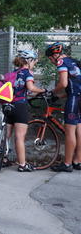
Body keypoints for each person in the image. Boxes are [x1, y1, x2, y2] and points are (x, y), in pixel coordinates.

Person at [5, 50, 47, 172]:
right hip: (20, 106)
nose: (34, 63)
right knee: (19, 137)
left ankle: (3, 159)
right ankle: (22, 164)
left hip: (8, 105)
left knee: (6, 135)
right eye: (34, 61)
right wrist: (42, 90)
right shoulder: (27, 72)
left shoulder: (13, 73)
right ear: (28, 61)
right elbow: (30, 88)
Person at [46, 43, 81, 172]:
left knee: (70, 131)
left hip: (74, 99)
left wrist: (52, 92)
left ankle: (67, 164)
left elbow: (63, 83)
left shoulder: (61, 62)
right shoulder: (72, 61)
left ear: (55, 55)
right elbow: (74, 84)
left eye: (50, 59)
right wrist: (59, 96)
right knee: (79, 129)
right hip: (79, 96)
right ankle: (78, 161)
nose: (51, 62)